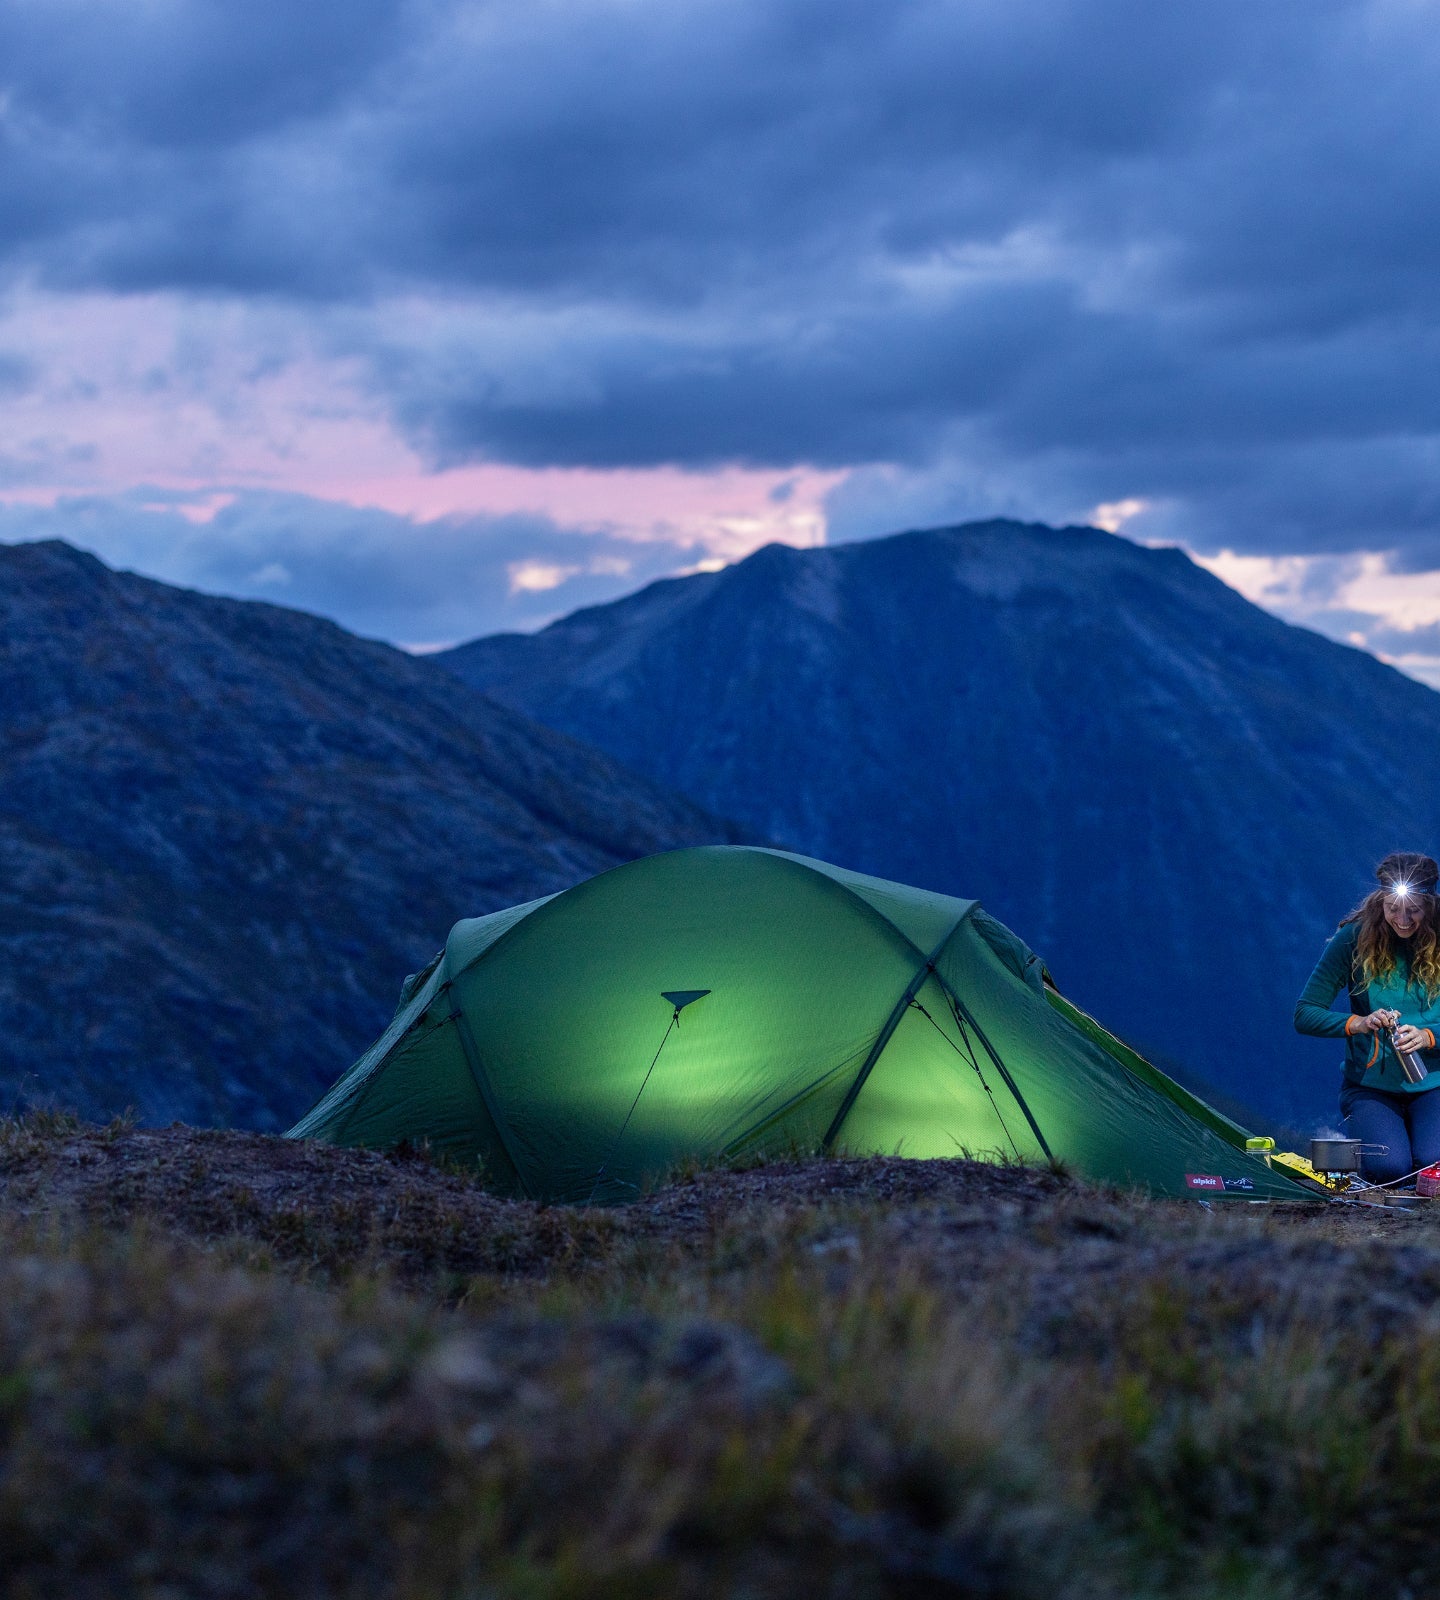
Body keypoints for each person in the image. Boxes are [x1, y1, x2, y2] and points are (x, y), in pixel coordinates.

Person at [1295, 851, 1440, 1183]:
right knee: (1390, 1168)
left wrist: (1429, 1035)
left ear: (1431, 904)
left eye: (1414, 910)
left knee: (1431, 1165)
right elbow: (1305, 1013)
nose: (1403, 920)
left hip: (1435, 1082)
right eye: (1393, 909)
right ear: (1381, 899)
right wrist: (1355, 1024)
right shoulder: (1354, 939)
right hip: (1371, 1086)